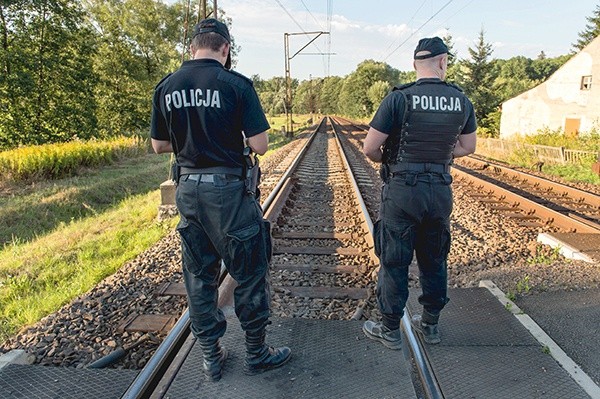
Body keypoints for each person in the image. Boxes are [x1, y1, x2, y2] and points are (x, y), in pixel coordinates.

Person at [150, 18, 291, 381]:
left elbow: (159, 145)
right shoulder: (236, 84)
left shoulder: (167, 86)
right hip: (228, 193)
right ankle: (257, 353)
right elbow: (260, 145)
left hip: (189, 192)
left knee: (199, 274)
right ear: (225, 49)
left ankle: (211, 356)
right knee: (249, 272)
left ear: (194, 46)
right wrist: (231, 140)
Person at [362, 37, 477, 348]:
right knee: (434, 257)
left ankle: (389, 330)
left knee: (394, 259)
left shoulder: (399, 98)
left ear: (415, 65)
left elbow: (370, 147)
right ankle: (430, 325)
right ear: (443, 62)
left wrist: (393, 157)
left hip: (402, 191)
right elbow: (468, 146)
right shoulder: (460, 100)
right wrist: (438, 151)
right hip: (439, 191)